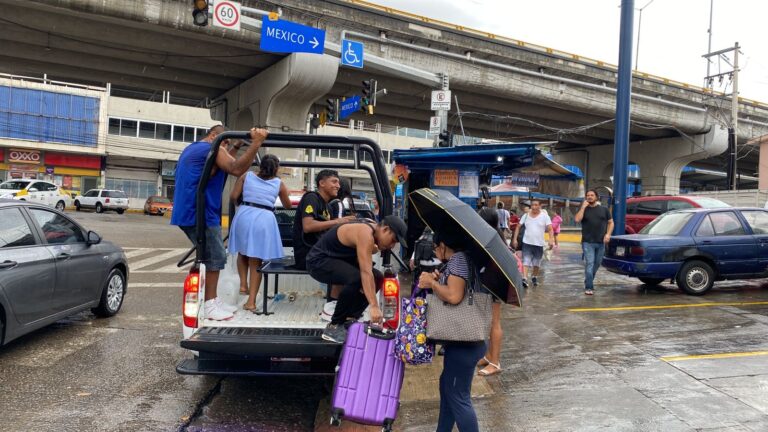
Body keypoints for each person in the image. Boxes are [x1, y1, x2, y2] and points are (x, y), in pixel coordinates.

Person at [171, 126, 268, 321]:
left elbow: (222, 163)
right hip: (200, 212)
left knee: (209, 256)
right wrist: (257, 142)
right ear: (214, 136)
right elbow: (236, 168)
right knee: (214, 257)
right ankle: (209, 304)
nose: (225, 147)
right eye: (225, 143)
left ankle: (212, 300)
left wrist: (236, 147)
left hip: (191, 211)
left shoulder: (194, 149)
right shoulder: (209, 148)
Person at [417, 232, 486, 432]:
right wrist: (440, 280)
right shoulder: (465, 259)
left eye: (435, 248)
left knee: (458, 396)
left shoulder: (458, 259)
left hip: (464, 342)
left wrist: (432, 283)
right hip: (465, 340)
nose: (435, 253)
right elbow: (458, 289)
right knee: (448, 388)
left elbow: (454, 296)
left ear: (443, 245)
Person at [306, 215, 407, 344]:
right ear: (385, 229)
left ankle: (349, 318)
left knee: (377, 277)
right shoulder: (365, 234)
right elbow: (366, 272)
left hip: (334, 259)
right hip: (317, 262)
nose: (391, 246)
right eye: (392, 240)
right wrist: (374, 306)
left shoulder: (372, 230)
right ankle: (334, 325)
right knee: (357, 278)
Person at [229, 155, 292, 312]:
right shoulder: (279, 183)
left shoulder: (247, 176)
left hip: (244, 214)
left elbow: (233, 196)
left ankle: (243, 285)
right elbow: (288, 205)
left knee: (242, 251)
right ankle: (251, 302)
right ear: (276, 168)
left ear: (260, 165)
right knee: (255, 260)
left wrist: (244, 203)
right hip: (264, 218)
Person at [574, 190, 614, 295]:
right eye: (587, 195)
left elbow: (611, 223)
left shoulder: (604, 210)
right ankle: (589, 287)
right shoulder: (584, 209)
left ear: (596, 197)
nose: (589, 197)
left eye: (592, 195)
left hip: (601, 242)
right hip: (587, 242)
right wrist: (583, 207)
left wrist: (608, 234)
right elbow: (577, 219)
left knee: (597, 264)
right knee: (590, 263)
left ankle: (588, 280)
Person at [512, 199, 554, 288]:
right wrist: (515, 239)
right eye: (532, 205)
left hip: (539, 244)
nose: (534, 207)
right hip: (527, 242)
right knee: (526, 260)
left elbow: (550, 229)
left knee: (536, 263)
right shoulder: (526, 215)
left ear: (540, 206)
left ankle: (534, 276)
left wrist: (551, 239)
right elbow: (518, 227)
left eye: (536, 205)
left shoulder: (545, 216)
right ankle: (524, 278)